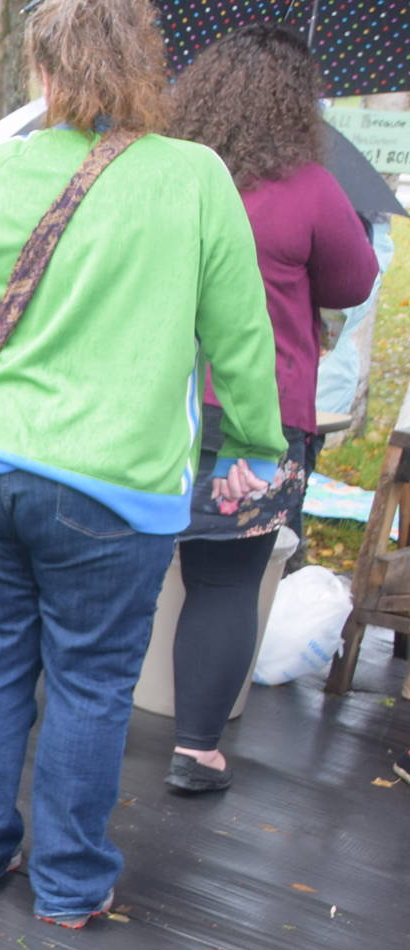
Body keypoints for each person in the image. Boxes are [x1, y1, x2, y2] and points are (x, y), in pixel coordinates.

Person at [0, 0, 282, 928]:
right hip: (112, 487)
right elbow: (241, 333)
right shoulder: (194, 176)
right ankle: (69, 883)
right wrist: (255, 443)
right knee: (91, 684)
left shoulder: (1, 164)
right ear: (146, 67)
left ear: (45, 74)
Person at [161, 25, 380, 793]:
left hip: (159, 402)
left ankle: (74, 714)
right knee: (225, 580)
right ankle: (196, 751)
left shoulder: (168, 172)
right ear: (294, 105)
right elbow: (354, 283)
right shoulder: (310, 187)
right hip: (262, 417)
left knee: (125, 568)